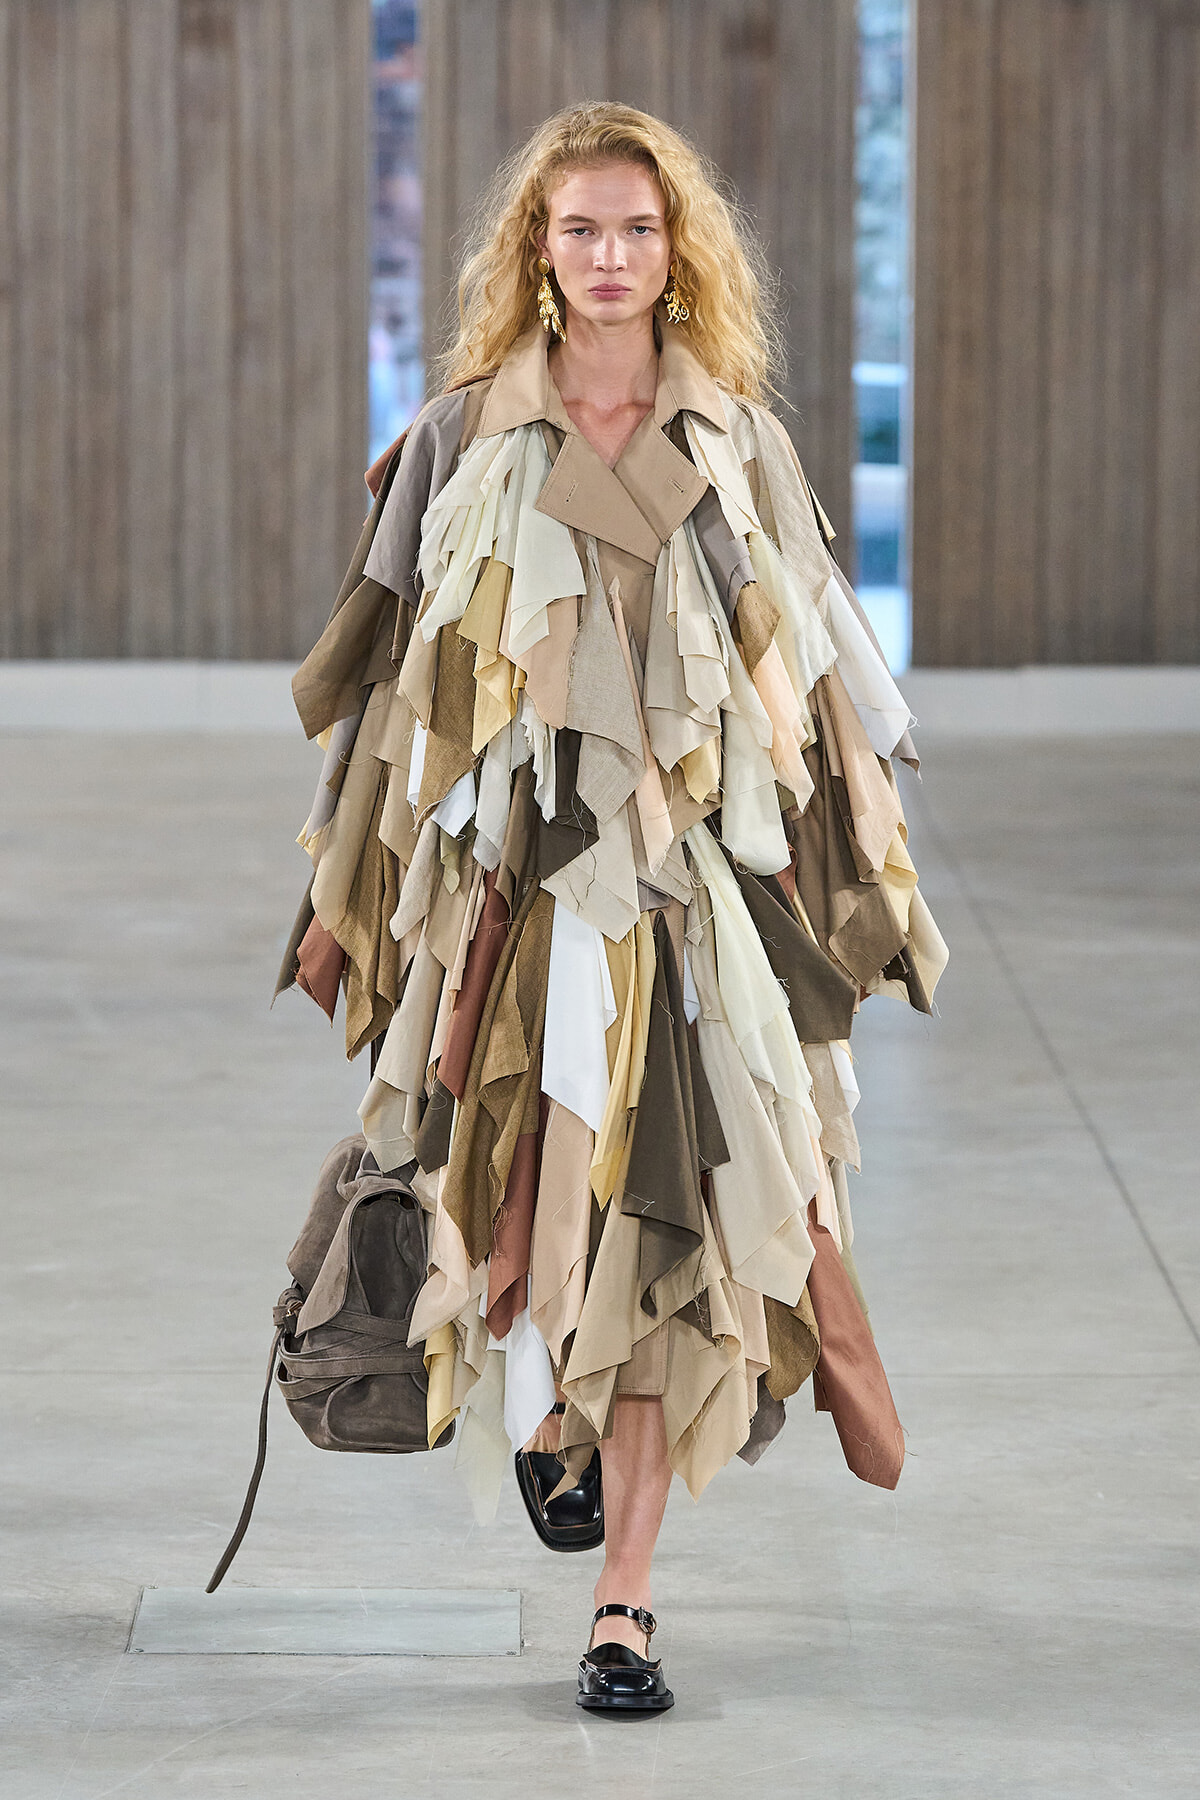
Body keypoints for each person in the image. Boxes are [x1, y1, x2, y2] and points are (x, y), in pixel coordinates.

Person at [278, 101, 947, 1715]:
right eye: (579, 229)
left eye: (638, 230)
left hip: (694, 895)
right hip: (514, 893)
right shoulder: (458, 438)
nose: (609, 257)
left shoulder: (738, 442)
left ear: (678, 252)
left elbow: (812, 691)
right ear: (538, 250)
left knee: (671, 1231)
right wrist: (348, 894)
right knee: (512, 1201)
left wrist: (836, 888)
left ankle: (625, 1603)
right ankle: (555, 1424)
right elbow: (388, 695)